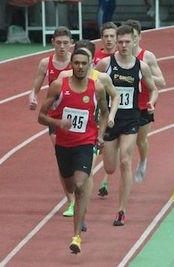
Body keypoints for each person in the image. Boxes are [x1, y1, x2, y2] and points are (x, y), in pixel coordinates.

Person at [38, 48, 109, 254]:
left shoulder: (97, 89)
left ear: (89, 65)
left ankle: (76, 236)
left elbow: (104, 113)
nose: (79, 66)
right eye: (76, 63)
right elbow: (41, 117)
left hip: (86, 143)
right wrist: (58, 122)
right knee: (69, 184)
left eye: (83, 63)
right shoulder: (59, 86)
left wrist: (101, 135)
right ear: (71, 64)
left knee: (79, 185)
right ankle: (77, 212)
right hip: (63, 145)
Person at [95, 25, 158, 226]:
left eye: (126, 42)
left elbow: (154, 89)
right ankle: (110, 167)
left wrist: (150, 102)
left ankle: (121, 210)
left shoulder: (142, 67)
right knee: (111, 168)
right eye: (119, 42)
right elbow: (89, 81)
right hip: (110, 121)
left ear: (133, 42)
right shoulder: (106, 64)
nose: (122, 45)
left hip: (131, 119)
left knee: (125, 161)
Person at [57, 39, 119, 232]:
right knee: (75, 176)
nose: (82, 65)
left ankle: (80, 211)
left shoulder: (102, 80)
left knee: (90, 172)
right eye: (78, 61)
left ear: (92, 60)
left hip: (92, 133)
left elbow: (115, 96)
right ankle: (78, 206)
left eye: (87, 61)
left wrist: (110, 118)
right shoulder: (66, 76)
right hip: (71, 135)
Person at [28, 26, 76, 217]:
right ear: (52, 43)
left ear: (71, 43)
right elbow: (35, 88)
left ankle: (78, 188)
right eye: (59, 43)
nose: (62, 47)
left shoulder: (77, 62)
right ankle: (71, 201)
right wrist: (32, 97)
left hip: (76, 115)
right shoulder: (45, 63)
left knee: (77, 157)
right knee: (62, 157)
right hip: (55, 118)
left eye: (66, 43)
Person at [124, 19, 166, 182]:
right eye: (128, 37)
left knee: (140, 140)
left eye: (134, 37)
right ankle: (124, 168)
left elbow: (162, 82)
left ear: (139, 37)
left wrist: (142, 72)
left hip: (144, 105)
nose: (130, 41)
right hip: (125, 105)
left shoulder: (147, 57)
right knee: (125, 144)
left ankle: (142, 160)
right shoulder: (119, 56)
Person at [93, 21, 117, 198]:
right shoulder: (97, 59)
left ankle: (105, 180)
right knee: (97, 144)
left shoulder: (123, 57)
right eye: (106, 36)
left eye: (112, 36)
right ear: (101, 38)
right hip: (99, 106)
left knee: (112, 145)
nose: (108, 40)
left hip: (116, 108)